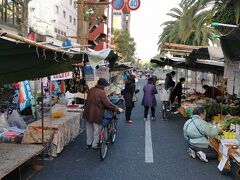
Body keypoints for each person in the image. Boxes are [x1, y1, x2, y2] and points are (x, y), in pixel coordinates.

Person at [83, 78, 123, 150]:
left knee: (89, 129)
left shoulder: (91, 89)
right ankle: (94, 145)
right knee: (97, 130)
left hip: (87, 112)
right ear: (102, 86)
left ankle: (89, 143)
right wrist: (117, 108)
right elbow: (108, 104)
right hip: (96, 113)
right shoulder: (101, 92)